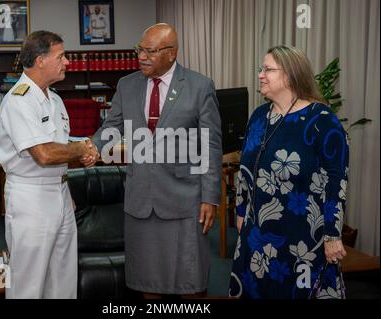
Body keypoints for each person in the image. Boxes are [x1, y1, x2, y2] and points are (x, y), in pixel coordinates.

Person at [83, 23, 222, 298]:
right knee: (147, 281)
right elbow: (112, 127)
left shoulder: (199, 86)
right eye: (140, 49)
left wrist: (210, 197)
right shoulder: (127, 85)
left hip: (184, 199)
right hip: (141, 199)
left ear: (172, 53)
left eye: (151, 51)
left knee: (190, 280)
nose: (142, 56)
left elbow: (211, 145)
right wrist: (91, 148)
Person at [228, 45, 349, 299]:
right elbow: (246, 169)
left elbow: (336, 181)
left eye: (268, 69)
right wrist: (240, 211)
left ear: (290, 75)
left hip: (303, 237)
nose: (260, 74)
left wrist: (332, 234)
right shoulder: (259, 116)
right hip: (256, 235)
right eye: (261, 69)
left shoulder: (322, 119)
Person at [0, 30, 95, 299]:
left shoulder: (55, 99)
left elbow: (60, 146)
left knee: (63, 280)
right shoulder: (19, 100)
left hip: (60, 193)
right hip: (31, 198)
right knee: (27, 284)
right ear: (40, 60)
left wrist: (82, 152)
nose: (68, 62)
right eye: (61, 56)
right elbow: (44, 154)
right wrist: (78, 148)